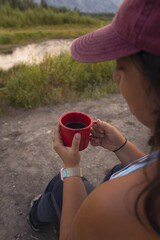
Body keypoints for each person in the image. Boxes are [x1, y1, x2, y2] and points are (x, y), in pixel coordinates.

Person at [28, 0, 160, 239]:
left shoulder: (110, 207)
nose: (114, 76)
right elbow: (152, 168)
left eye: (122, 66)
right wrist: (121, 145)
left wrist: (71, 169)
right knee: (119, 169)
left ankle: (35, 217)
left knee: (59, 184)